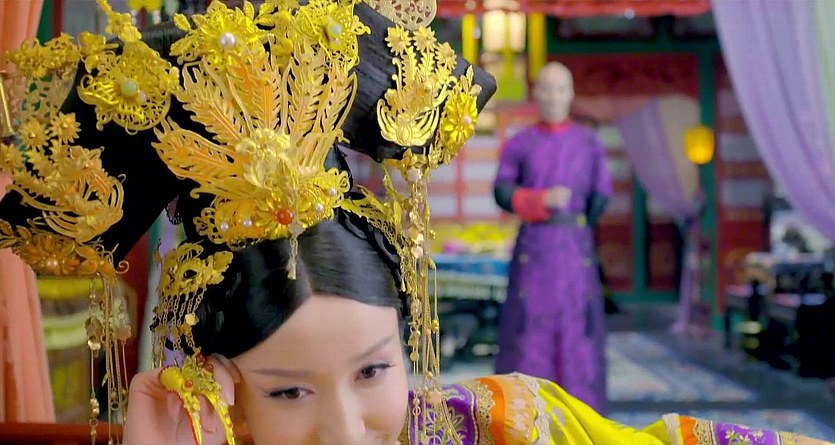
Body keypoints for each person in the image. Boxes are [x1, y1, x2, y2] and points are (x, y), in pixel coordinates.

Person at [0, 2, 831, 445]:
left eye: (373, 369)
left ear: (409, 336)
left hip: (570, 255)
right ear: (214, 377)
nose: (347, 430)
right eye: (287, 390)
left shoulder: (503, 426)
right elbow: (504, 188)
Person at [492, 62, 612, 413]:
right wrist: (539, 201)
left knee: (578, 330)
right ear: (536, 93)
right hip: (535, 249)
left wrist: (573, 224)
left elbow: (601, 197)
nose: (553, 96)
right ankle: (527, 413)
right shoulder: (520, 143)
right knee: (529, 330)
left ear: (570, 94)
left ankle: (580, 413)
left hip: (575, 250)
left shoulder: (588, 143)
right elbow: (502, 191)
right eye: (546, 88)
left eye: (560, 89)